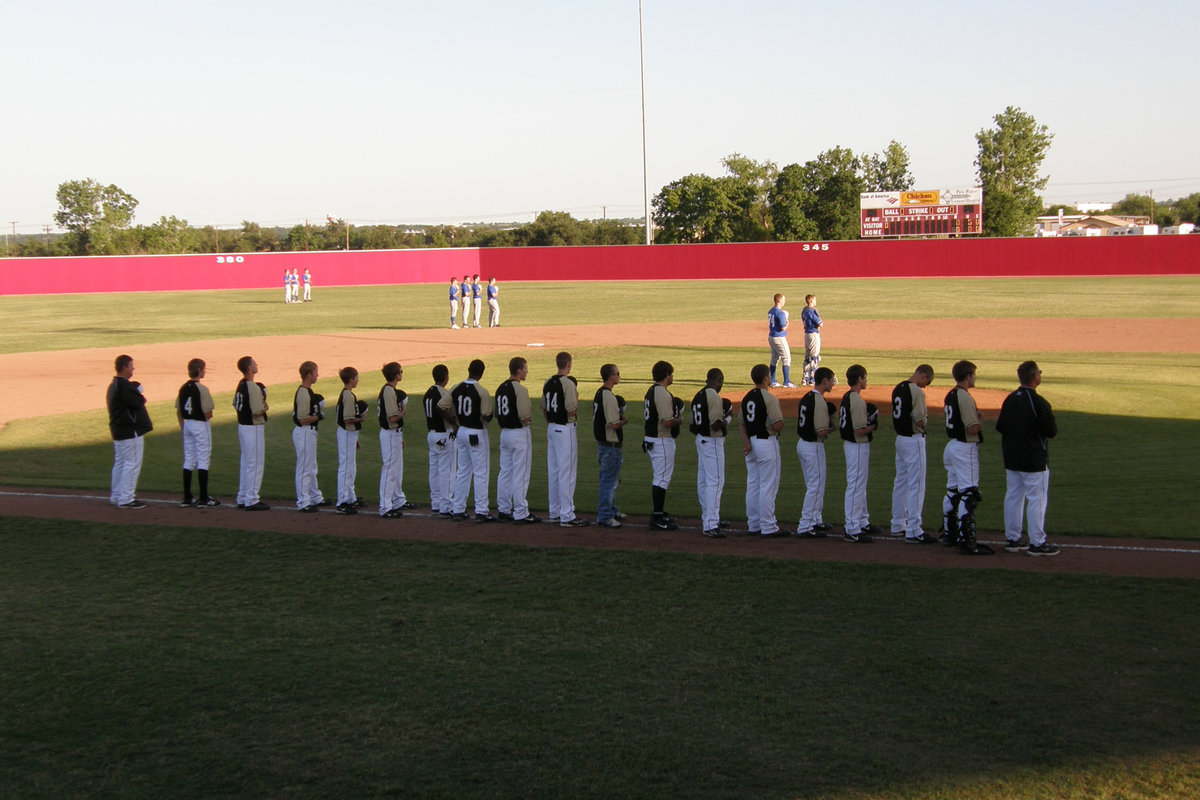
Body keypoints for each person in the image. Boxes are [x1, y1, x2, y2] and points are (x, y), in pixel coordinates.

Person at [995, 360, 1060, 556]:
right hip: (1033, 460)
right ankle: (1037, 542)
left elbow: (1000, 427)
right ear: (1035, 378)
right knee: (1037, 500)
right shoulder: (1038, 402)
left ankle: (1013, 539)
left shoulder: (1010, 399)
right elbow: (1051, 431)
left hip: (1012, 459)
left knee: (1013, 497)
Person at [943, 359, 991, 555]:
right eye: (973, 375)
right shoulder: (964, 397)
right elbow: (972, 428)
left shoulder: (951, 394)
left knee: (953, 490)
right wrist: (980, 420)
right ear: (968, 376)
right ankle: (966, 539)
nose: (975, 378)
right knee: (969, 494)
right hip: (965, 448)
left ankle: (949, 533)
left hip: (952, 447)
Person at [891, 364, 937, 544]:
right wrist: (924, 419)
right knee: (916, 483)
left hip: (900, 440)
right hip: (913, 440)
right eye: (928, 382)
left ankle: (897, 524)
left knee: (900, 481)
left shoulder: (898, 388)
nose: (925, 386)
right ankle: (914, 529)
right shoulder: (916, 392)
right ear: (924, 376)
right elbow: (919, 419)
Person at [738, 363, 785, 537]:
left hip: (750, 444)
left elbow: (741, 423)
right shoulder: (769, 398)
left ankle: (754, 524)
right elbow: (778, 425)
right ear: (766, 378)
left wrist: (746, 443)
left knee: (753, 485)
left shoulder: (747, 397)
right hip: (766, 443)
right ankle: (768, 526)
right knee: (768, 486)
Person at [543, 351, 588, 527]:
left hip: (551, 428)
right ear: (568, 365)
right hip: (565, 429)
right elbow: (571, 410)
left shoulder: (548, 382)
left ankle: (554, 512)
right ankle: (567, 514)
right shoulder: (568, 384)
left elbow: (544, 408)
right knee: (567, 473)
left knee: (554, 471)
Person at [496, 357, 539, 524]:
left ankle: (503, 509)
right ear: (519, 370)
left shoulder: (501, 388)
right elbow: (525, 417)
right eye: (525, 368)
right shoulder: (520, 389)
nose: (527, 371)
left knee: (505, 472)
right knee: (520, 474)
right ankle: (521, 511)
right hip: (518, 435)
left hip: (504, 434)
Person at [795, 366, 837, 537]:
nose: (833, 384)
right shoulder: (819, 401)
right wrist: (833, 427)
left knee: (814, 484)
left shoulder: (807, 397)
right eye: (831, 380)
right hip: (813, 446)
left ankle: (816, 519)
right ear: (824, 381)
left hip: (802, 445)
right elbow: (821, 431)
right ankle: (806, 525)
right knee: (815, 485)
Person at [107, 354, 153, 508]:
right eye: (131, 366)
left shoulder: (113, 385)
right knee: (131, 464)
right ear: (124, 367)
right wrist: (138, 392)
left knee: (120, 463)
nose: (133, 369)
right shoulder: (124, 386)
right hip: (129, 431)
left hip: (118, 430)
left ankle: (117, 495)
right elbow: (137, 402)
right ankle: (126, 498)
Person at [451, 358, 494, 521]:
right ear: (481, 373)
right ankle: (481, 511)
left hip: (461, 431)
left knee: (462, 471)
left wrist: (454, 424)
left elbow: (443, 406)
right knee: (480, 473)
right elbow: (486, 415)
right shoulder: (481, 391)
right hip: (476, 433)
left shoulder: (456, 387)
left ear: (468, 369)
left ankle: (458, 509)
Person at [840, 363, 878, 543]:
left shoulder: (848, 397)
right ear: (859, 379)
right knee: (855, 486)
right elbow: (859, 431)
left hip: (854, 446)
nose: (866, 381)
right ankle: (852, 528)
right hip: (856, 446)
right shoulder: (855, 399)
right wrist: (873, 425)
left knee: (859, 484)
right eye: (864, 377)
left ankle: (862, 522)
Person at [690, 367, 730, 538]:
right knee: (716, 481)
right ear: (719, 380)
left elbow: (693, 425)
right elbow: (715, 425)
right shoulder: (713, 395)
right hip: (712, 441)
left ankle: (708, 516)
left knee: (704, 480)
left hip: (700, 440)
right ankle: (711, 523)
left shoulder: (697, 395)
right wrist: (728, 418)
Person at [643, 360, 682, 530]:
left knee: (660, 476)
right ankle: (657, 516)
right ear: (666, 375)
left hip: (652, 438)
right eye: (671, 374)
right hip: (661, 440)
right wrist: (679, 419)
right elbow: (667, 422)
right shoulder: (662, 394)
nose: (672, 377)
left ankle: (660, 513)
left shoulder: (651, 391)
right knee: (661, 478)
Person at [176, 357, 220, 507]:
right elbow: (208, 414)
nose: (204, 371)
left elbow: (179, 411)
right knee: (203, 459)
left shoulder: (183, 388)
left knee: (189, 458)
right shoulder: (202, 389)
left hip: (187, 425)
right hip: (200, 425)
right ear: (199, 370)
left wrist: (183, 428)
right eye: (203, 369)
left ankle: (187, 496)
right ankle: (203, 497)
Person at [378, 362, 417, 519]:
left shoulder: (389, 390)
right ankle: (385, 506)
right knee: (389, 469)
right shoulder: (388, 392)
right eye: (400, 371)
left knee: (397, 469)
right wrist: (403, 412)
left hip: (394, 434)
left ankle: (398, 499)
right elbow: (392, 417)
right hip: (389, 433)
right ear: (396, 375)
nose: (402, 373)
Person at [233, 355, 269, 510]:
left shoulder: (240, 385)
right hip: (253, 428)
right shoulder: (253, 387)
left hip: (242, 426)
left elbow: (236, 404)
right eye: (254, 363)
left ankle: (242, 496)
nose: (256, 364)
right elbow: (257, 411)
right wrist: (265, 408)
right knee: (255, 463)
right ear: (249, 368)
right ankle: (252, 499)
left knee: (246, 463)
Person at [594, 363, 627, 528]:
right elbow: (613, 425)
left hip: (603, 445)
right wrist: (624, 421)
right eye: (617, 373)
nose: (619, 376)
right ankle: (605, 515)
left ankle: (611, 510)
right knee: (608, 482)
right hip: (610, 446)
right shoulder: (608, 396)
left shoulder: (599, 393)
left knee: (610, 481)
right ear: (610, 376)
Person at [423, 364, 458, 518]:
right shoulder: (444, 393)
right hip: (444, 434)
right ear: (446, 376)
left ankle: (436, 502)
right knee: (447, 471)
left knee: (434, 470)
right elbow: (450, 412)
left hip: (431, 434)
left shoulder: (427, 393)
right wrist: (454, 423)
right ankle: (447, 505)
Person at [292, 360, 327, 513]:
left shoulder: (307, 392)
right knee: (305, 468)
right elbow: (302, 419)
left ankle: (314, 497)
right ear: (308, 375)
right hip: (304, 431)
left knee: (311, 466)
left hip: (309, 432)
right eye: (315, 373)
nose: (317, 375)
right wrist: (319, 416)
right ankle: (303, 501)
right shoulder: (303, 393)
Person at [335, 366, 368, 514]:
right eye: (356, 377)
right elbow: (348, 419)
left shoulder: (347, 394)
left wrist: (356, 438)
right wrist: (361, 419)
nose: (358, 380)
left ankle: (350, 497)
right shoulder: (348, 395)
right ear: (351, 379)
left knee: (350, 467)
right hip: (346, 433)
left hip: (349, 434)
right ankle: (342, 502)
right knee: (346, 467)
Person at [767, 294, 796, 388]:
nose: (784, 301)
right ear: (779, 300)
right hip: (779, 337)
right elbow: (783, 328)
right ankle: (787, 382)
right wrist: (787, 323)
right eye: (783, 300)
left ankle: (772, 380)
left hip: (771, 336)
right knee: (786, 358)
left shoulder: (771, 311)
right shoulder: (780, 313)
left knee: (774, 358)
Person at [800, 294, 823, 386]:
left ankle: (805, 378)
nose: (816, 302)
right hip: (813, 334)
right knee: (814, 358)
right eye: (815, 300)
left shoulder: (804, 310)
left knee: (807, 358)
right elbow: (820, 323)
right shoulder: (811, 311)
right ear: (811, 301)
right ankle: (812, 379)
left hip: (807, 335)